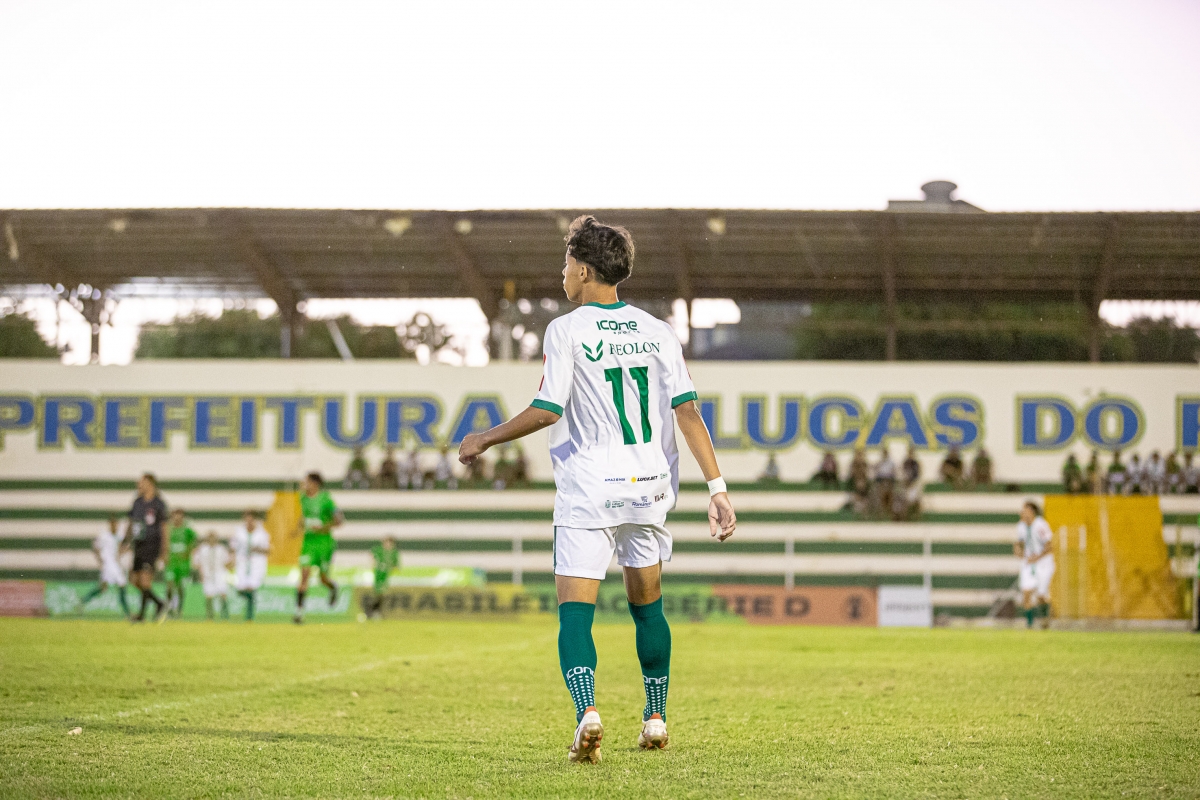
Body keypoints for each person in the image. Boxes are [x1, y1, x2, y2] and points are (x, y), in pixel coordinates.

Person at [457, 215, 736, 763]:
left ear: (584, 271)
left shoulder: (566, 330)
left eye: (566, 264)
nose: (562, 274)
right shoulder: (659, 332)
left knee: (575, 615)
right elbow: (688, 414)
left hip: (590, 490)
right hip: (648, 489)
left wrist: (484, 438)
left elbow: (547, 409)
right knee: (648, 609)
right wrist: (717, 488)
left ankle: (587, 712)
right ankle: (655, 718)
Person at [295, 472, 343, 624]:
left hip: (324, 543)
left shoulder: (326, 499)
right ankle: (299, 613)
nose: (304, 484)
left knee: (323, 579)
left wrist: (322, 527)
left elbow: (339, 520)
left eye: (307, 482)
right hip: (308, 542)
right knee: (304, 575)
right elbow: (303, 518)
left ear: (315, 484)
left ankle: (332, 587)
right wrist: (299, 528)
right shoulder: (302, 499)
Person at [124, 473, 168, 622]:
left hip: (152, 545)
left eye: (142, 482)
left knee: (144, 580)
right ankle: (159, 603)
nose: (139, 485)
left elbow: (164, 528)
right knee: (134, 580)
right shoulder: (137, 503)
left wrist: (164, 550)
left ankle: (141, 615)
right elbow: (131, 523)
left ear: (150, 484)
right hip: (139, 545)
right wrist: (125, 541)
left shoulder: (158, 504)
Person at [1014, 501, 1055, 628]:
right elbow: (1020, 542)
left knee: (1041, 595)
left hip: (1043, 562)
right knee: (1026, 592)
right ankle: (1030, 624)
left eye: (1025, 511)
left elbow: (1050, 545)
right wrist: (1018, 549)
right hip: (1028, 562)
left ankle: (1045, 618)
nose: (1023, 513)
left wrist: (1037, 557)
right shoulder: (1021, 526)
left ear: (1032, 512)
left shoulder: (1041, 525)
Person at [79, 515, 130, 617]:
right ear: (110, 525)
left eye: (116, 524)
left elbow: (121, 549)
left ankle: (82, 601)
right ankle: (127, 613)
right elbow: (95, 546)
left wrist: (123, 551)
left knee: (105, 587)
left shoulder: (118, 536)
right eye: (113, 524)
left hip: (115, 565)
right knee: (117, 585)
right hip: (108, 566)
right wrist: (100, 560)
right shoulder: (104, 536)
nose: (114, 526)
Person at [231, 509, 270, 622]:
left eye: (251, 520)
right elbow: (233, 547)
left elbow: (267, 550)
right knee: (241, 588)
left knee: (252, 588)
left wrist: (257, 549)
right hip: (242, 563)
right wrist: (232, 560)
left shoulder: (262, 534)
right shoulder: (239, 533)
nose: (249, 522)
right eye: (247, 520)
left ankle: (249, 616)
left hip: (256, 564)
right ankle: (249, 612)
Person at [163, 508, 197, 618]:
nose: (177, 518)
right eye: (175, 516)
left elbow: (194, 540)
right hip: (171, 562)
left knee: (179, 587)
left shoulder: (187, 529)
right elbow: (164, 542)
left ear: (182, 517)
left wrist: (188, 552)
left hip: (182, 563)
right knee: (169, 586)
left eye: (179, 516)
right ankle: (169, 608)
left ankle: (179, 609)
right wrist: (164, 555)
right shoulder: (169, 528)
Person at [192, 530, 230, 620]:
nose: (212, 539)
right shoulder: (202, 549)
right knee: (208, 594)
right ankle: (210, 615)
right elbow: (196, 562)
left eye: (213, 537)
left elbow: (227, 561)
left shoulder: (221, 549)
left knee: (223, 593)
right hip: (207, 574)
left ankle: (224, 614)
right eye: (210, 537)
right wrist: (200, 572)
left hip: (219, 573)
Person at [369, 535, 401, 617]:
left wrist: (391, 568)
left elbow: (396, 565)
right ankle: (374, 611)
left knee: (383, 594)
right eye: (386, 542)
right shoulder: (379, 550)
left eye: (390, 543)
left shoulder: (394, 553)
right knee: (378, 593)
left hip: (387, 576)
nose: (388, 545)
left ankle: (376, 611)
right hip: (379, 574)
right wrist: (374, 562)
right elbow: (372, 553)